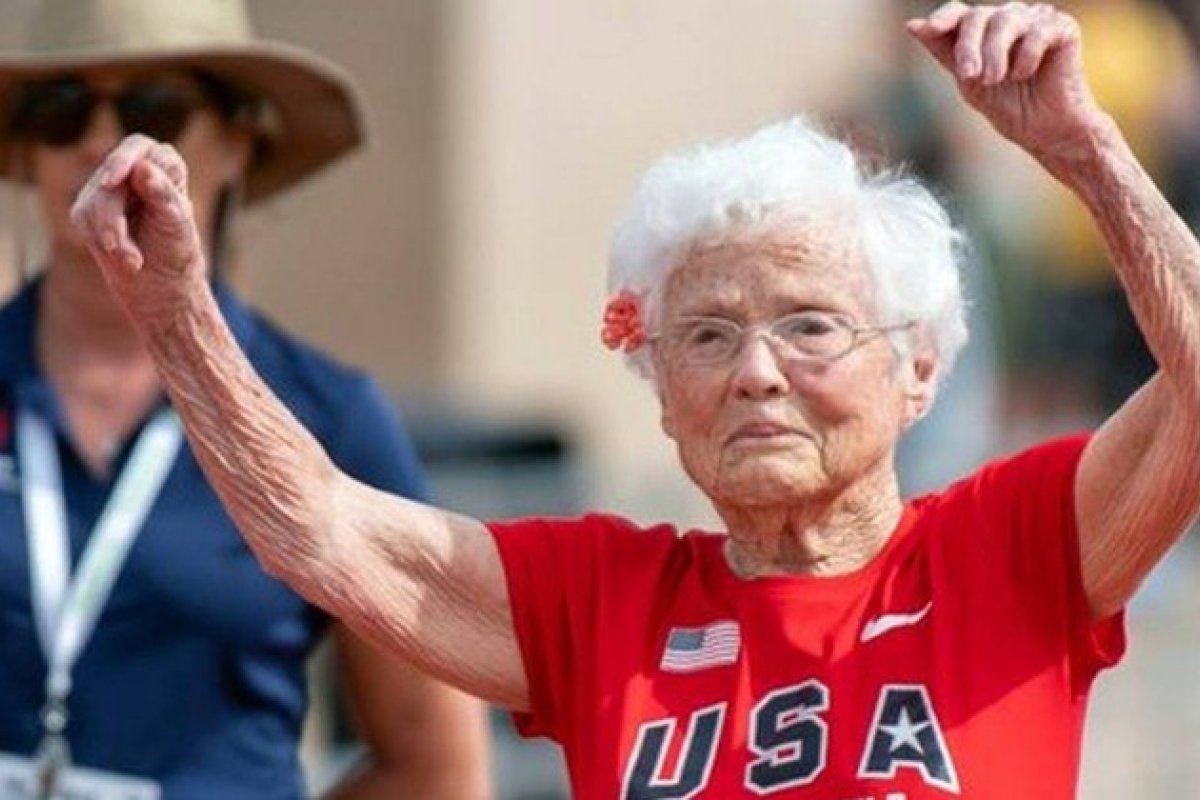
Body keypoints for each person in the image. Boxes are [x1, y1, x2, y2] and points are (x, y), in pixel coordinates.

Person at [70, 1, 1200, 797]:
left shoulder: (1012, 550)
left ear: (919, 369)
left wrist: (1087, 152)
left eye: (809, 324)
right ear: (660, 388)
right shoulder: (603, 600)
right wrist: (173, 311)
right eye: (707, 334)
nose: (756, 370)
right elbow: (317, 525)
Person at [0, 1, 490, 798]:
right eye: (60, 110)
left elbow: (436, 769)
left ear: (237, 143)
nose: (101, 138)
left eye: (153, 107)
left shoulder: (326, 417)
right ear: (26, 148)